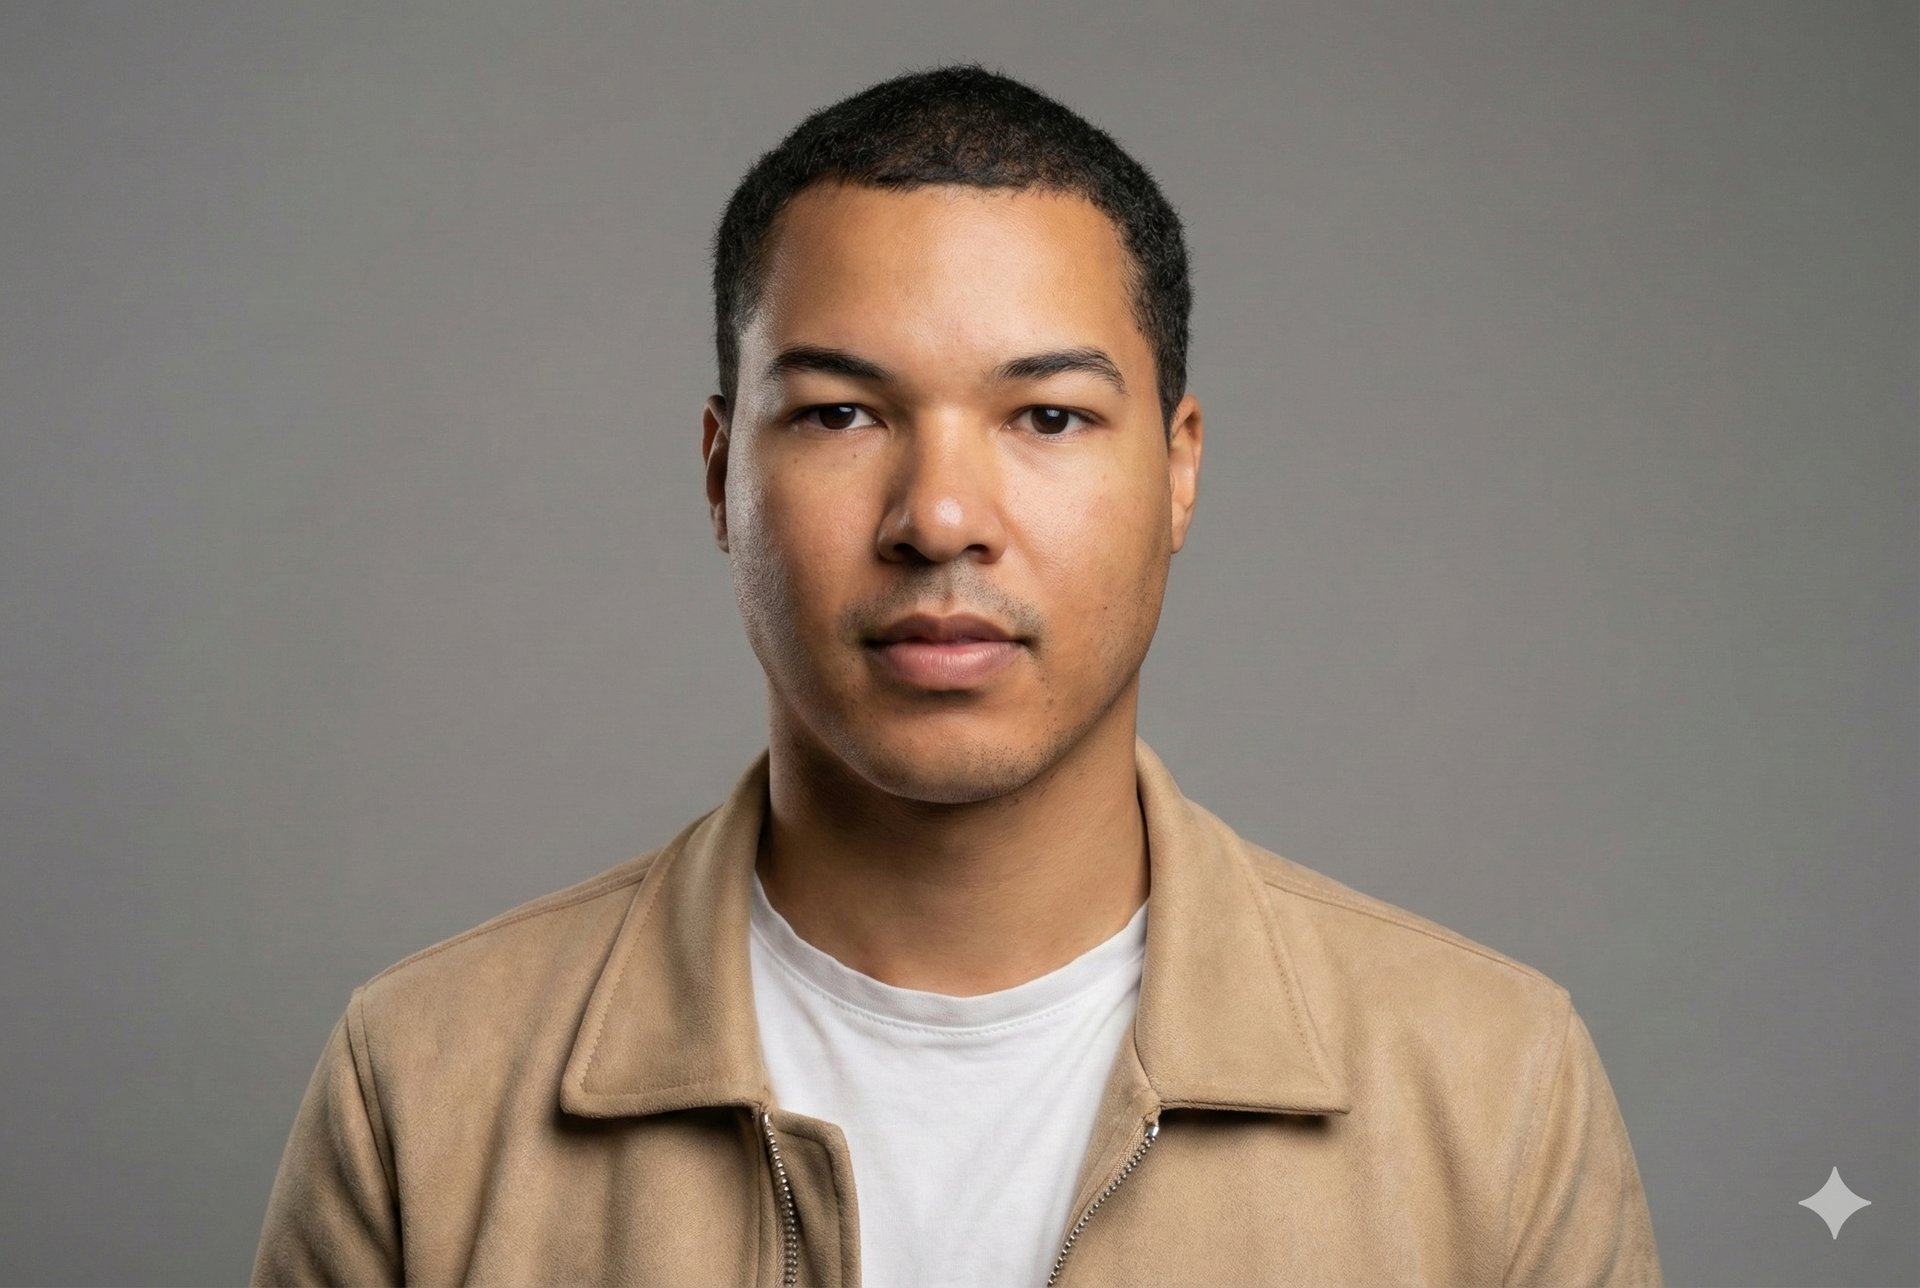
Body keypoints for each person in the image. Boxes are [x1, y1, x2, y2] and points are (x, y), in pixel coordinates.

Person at [253, 64, 1661, 1287]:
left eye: (1046, 414)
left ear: (1179, 469)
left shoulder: (1494, 1088)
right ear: (718, 469)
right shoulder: (423, 1089)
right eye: (842, 413)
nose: (939, 516)